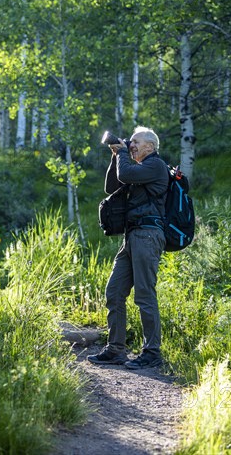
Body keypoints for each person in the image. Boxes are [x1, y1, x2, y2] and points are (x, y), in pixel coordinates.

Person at [88, 126, 169, 369]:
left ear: (150, 147)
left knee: (144, 295)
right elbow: (112, 186)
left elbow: (127, 176)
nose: (131, 145)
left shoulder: (155, 166)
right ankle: (115, 350)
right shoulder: (135, 168)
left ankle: (152, 353)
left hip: (148, 234)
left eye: (135, 142)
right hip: (132, 236)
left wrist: (123, 154)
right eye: (130, 142)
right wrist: (117, 156)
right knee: (114, 292)